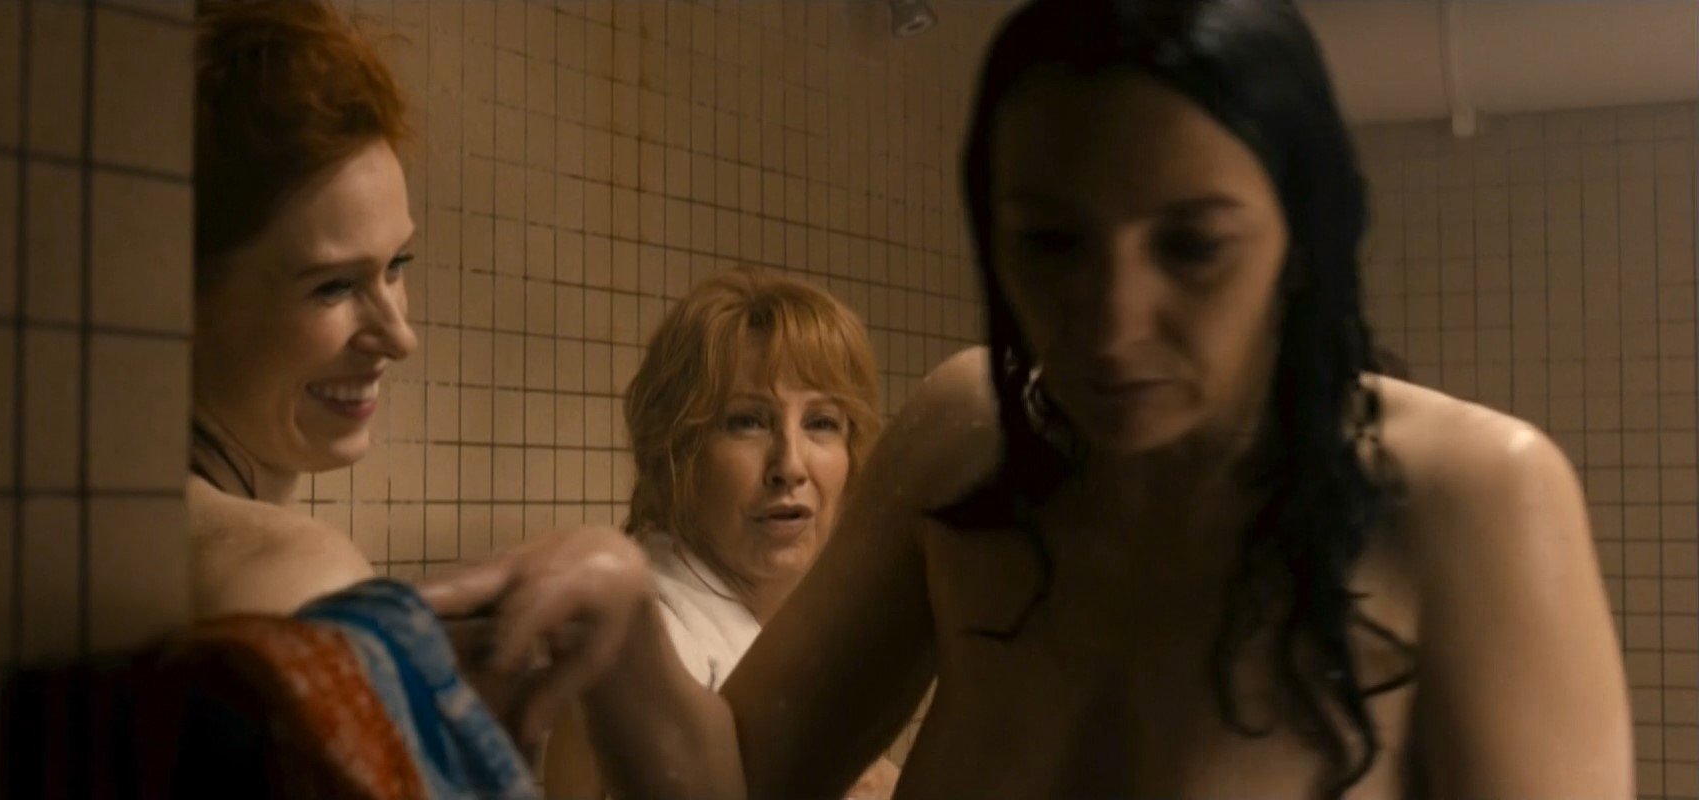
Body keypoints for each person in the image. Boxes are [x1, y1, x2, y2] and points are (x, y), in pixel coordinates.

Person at [421, 1, 1633, 798]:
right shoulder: (967, 441)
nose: (1109, 324)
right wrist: (622, 616)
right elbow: (742, 784)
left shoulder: (1464, 497)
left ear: (1302, 237)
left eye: (1193, 246)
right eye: (1052, 243)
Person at [538, 268, 901, 799]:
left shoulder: (812, 621)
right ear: (677, 450)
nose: (790, 465)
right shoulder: (643, 645)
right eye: (748, 421)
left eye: (821, 422)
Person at [188, 0, 419, 617]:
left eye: (397, 265)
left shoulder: (129, 530)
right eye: (334, 287)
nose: (401, 338)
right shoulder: (297, 574)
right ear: (179, 302)